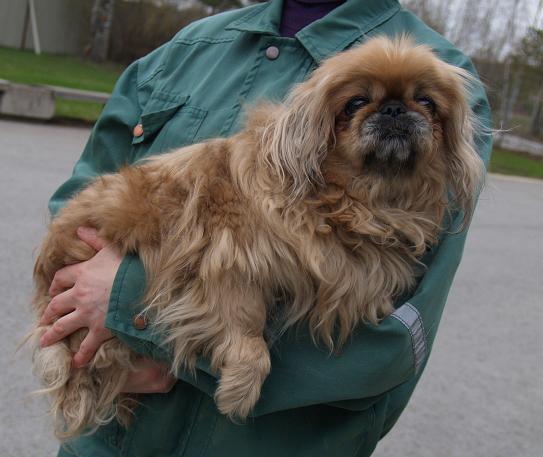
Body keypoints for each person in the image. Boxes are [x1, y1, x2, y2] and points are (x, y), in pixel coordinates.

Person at [38, 0, 492, 456]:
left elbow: (388, 349)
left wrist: (137, 315)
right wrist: (92, 329)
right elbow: (75, 211)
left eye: (424, 104)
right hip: (109, 440)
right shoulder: (189, 48)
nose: (393, 113)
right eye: (358, 103)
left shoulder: (450, 72)